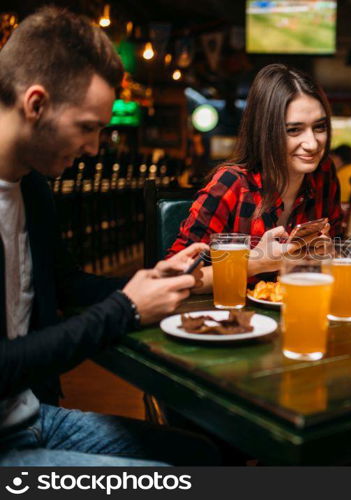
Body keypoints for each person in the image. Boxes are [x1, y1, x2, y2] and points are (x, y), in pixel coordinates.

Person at [0, 7, 219, 466]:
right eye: (88, 127)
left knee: (203, 456)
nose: (95, 149)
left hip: (31, 418)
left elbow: (68, 285)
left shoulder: (33, 187)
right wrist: (126, 309)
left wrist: (154, 278)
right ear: (35, 104)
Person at [168, 64, 342, 285]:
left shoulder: (323, 175)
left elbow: (336, 248)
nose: (312, 143)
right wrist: (255, 264)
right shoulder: (231, 184)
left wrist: (328, 256)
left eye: (319, 127)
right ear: (266, 132)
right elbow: (173, 277)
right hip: (233, 316)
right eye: (294, 130)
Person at [329, 144, 351, 235]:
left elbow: (341, 204)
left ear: (339, 158)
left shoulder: (341, 176)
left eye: (332, 157)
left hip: (346, 225)